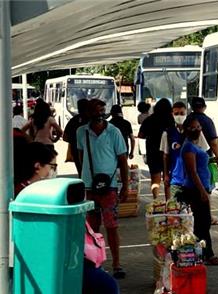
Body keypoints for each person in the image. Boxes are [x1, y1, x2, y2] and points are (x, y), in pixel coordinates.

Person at [12, 142, 119, 294]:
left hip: (59, 260)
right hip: (46, 263)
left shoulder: (30, 191)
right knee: (106, 285)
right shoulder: (28, 196)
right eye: (53, 167)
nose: (55, 172)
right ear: (37, 167)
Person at [77, 99, 130, 279]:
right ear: (88, 114)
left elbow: (123, 161)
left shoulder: (114, 132)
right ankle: (95, 263)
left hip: (109, 188)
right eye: (95, 111)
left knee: (112, 226)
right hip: (89, 187)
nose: (99, 114)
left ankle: (116, 264)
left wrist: (125, 186)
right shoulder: (81, 132)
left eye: (102, 110)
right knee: (92, 228)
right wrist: (81, 181)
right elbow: (80, 158)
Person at [177, 118, 218, 266]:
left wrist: (213, 161)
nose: (197, 130)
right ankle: (207, 255)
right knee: (202, 223)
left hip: (201, 188)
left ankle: (202, 253)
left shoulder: (194, 145)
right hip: (195, 189)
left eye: (198, 127)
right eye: (193, 128)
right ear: (186, 130)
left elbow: (199, 164)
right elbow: (192, 172)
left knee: (203, 223)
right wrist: (202, 192)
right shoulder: (188, 148)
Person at [159, 102, 210, 200]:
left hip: (194, 181)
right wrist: (165, 174)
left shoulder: (196, 132)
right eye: (176, 113)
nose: (179, 116)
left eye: (182, 113)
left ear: (186, 113)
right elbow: (166, 155)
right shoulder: (168, 133)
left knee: (193, 211)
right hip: (176, 179)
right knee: (176, 209)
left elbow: (204, 152)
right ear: (172, 114)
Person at [187, 96, 218, 225]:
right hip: (204, 160)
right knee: (206, 189)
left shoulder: (188, 119)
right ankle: (207, 216)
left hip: (187, 158)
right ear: (204, 107)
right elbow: (214, 143)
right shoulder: (207, 121)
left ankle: (192, 214)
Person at [139, 99, 174, 199]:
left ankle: (156, 200)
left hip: (152, 152)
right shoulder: (171, 120)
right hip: (167, 153)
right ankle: (168, 201)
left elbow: (141, 135)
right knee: (167, 179)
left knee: (155, 179)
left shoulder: (149, 120)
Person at [63, 99, 91, 176]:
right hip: (91, 150)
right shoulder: (92, 120)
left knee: (81, 171)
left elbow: (65, 137)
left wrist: (73, 141)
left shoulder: (73, 120)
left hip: (76, 151)